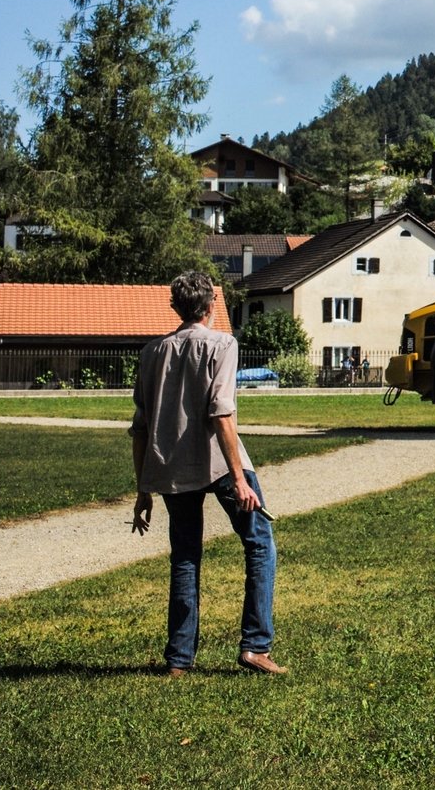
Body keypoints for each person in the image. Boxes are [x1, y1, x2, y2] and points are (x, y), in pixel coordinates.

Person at [130, 270, 285, 677]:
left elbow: (140, 427)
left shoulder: (151, 353)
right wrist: (238, 478)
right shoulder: (223, 344)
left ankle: (179, 659)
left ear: (175, 307)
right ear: (212, 306)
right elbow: (222, 412)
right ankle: (256, 645)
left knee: (185, 557)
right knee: (260, 544)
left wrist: (143, 489)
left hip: (170, 466)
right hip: (220, 462)